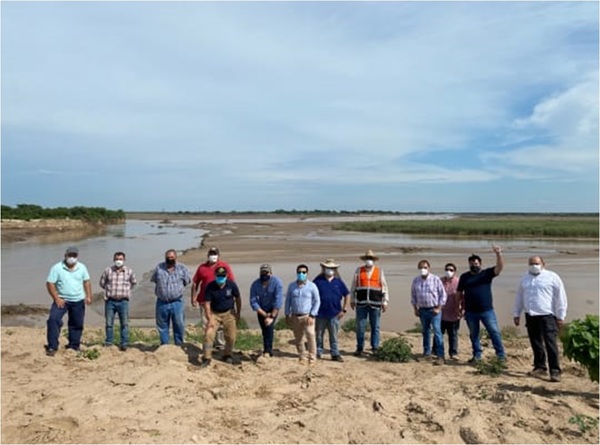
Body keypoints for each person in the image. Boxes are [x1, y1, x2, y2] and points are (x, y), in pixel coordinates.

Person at [513, 255, 568, 382]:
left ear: (543, 263)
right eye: (531, 263)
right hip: (530, 315)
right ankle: (540, 367)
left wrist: (560, 316)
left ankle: (555, 370)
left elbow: (561, 297)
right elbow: (519, 296)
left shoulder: (552, 277)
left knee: (550, 343)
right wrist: (516, 313)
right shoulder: (524, 278)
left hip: (547, 315)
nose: (534, 265)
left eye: (537, 263)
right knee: (536, 342)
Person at [456, 245, 506, 363]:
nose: (474, 265)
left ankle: (501, 356)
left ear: (480, 264)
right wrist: (457, 306)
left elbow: (499, 268)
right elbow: (459, 292)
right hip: (470, 311)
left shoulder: (486, 274)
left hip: (487, 310)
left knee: (494, 332)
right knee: (474, 335)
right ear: (469, 264)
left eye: (476, 263)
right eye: (472, 263)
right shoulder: (464, 277)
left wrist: (498, 254)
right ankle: (477, 355)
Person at [45, 246, 93, 356]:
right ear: (65, 255)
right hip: (62, 300)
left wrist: (89, 296)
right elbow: (50, 283)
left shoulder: (82, 267)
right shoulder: (57, 268)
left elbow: (86, 282)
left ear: (77, 256)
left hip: (78, 300)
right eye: (70, 255)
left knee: (76, 324)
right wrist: (56, 298)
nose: (72, 257)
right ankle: (52, 346)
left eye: (74, 255)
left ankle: (74, 345)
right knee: (53, 320)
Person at [191, 246, 235, 348]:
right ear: (208, 255)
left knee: (220, 325)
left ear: (219, 255)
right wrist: (193, 297)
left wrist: (230, 298)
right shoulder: (202, 267)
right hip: (204, 300)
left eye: (214, 254)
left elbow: (231, 282)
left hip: (220, 301)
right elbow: (195, 283)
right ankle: (209, 345)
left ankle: (220, 345)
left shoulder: (224, 266)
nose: (213, 256)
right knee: (207, 323)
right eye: (211, 254)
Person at [350, 249, 389, 356]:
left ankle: (375, 347)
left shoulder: (379, 271)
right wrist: (352, 300)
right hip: (361, 303)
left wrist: (385, 301)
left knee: (375, 326)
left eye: (371, 258)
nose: (369, 260)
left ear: (374, 260)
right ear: (364, 260)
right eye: (367, 258)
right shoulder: (358, 270)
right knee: (360, 326)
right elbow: (353, 286)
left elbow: (384, 287)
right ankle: (359, 348)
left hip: (375, 304)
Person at [201, 266, 242, 367]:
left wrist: (238, 313)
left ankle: (227, 354)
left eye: (223, 276)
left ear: (226, 275)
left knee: (231, 336)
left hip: (229, 312)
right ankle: (207, 357)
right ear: (215, 276)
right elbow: (207, 303)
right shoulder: (210, 286)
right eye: (218, 276)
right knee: (209, 334)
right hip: (214, 313)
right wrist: (209, 318)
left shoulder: (231, 284)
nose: (221, 278)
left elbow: (238, 298)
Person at [150, 249, 191, 346]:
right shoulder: (159, 268)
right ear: (165, 258)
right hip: (162, 302)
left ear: (176, 257)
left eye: (172, 257)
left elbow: (186, 281)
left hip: (177, 302)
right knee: (162, 325)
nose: (170, 259)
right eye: (168, 258)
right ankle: (165, 345)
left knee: (179, 324)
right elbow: (155, 280)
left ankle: (179, 345)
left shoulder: (182, 269)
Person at [411, 259, 447, 365]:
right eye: (421, 267)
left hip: (434, 310)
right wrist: (415, 309)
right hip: (422, 310)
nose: (423, 269)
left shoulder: (435, 279)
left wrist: (439, 308)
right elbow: (413, 296)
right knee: (425, 331)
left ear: (429, 268)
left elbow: (443, 295)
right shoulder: (416, 280)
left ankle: (440, 355)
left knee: (437, 331)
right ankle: (427, 354)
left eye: (425, 267)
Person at [99, 251, 137, 351]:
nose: (118, 261)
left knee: (124, 324)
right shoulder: (108, 271)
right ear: (113, 260)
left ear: (124, 260)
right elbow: (102, 283)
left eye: (120, 259)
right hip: (110, 301)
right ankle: (109, 342)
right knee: (109, 323)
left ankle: (124, 343)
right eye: (116, 259)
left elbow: (133, 283)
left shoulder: (129, 271)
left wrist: (125, 291)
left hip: (123, 301)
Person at [313, 258, 350, 362]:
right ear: (324, 268)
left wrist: (344, 309)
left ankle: (335, 353)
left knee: (333, 336)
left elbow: (347, 294)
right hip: (320, 313)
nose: (329, 270)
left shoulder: (339, 282)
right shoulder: (317, 281)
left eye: (332, 268)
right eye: (328, 268)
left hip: (335, 314)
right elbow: (311, 294)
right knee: (319, 335)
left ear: (335, 269)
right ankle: (318, 352)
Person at [285, 264, 321, 366]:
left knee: (311, 335)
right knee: (298, 338)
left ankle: (312, 358)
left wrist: (312, 315)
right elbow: (288, 301)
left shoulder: (312, 286)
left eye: (304, 272)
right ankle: (302, 356)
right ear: (296, 273)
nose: (301, 274)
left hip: (308, 316)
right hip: (295, 315)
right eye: (299, 272)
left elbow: (317, 301)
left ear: (307, 273)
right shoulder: (292, 286)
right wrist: (287, 314)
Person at [249, 264, 284, 357]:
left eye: (266, 272)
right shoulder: (255, 284)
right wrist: (264, 314)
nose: (264, 274)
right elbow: (253, 302)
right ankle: (266, 348)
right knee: (264, 330)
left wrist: (271, 316)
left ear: (270, 273)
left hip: (273, 308)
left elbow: (278, 300)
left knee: (269, 327)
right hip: (261, 309)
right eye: (262, 272)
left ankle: (268, 350)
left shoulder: (277, 282)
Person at [440, 262, 463, 360]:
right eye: (447, 269)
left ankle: (453, 353)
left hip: (454, 313)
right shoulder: (439, 281)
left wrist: (462, 309)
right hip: (440, 313)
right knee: (438, 333)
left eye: (451, 270)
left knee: (453, 334)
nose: (448, 271)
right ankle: (437, 351)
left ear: (455, 271)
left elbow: (463, 297)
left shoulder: (459, 282)